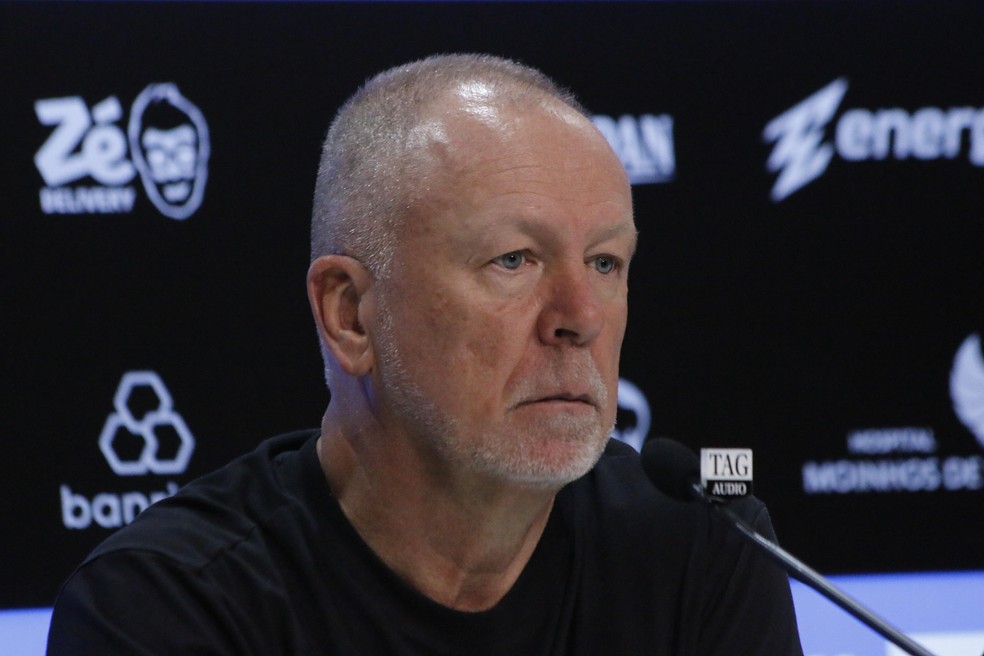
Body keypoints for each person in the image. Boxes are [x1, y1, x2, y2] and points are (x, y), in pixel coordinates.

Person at [47, 54, 803, 654]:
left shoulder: (702, 550)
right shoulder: (166, 608)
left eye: (606, 263)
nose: (580, 317)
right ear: (349, 314)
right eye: (514, 259)